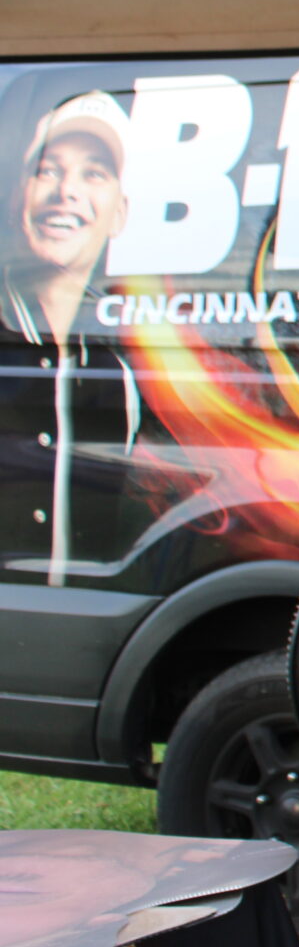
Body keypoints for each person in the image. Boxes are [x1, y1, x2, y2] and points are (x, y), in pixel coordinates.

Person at [0, 91, 153, 585]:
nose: (66, 190)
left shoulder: (125, 372)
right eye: (48, 170)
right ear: (20, 196)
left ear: (120, 213)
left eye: (94, 173)